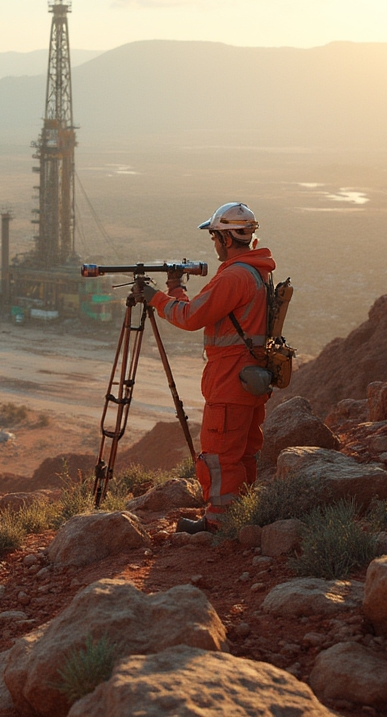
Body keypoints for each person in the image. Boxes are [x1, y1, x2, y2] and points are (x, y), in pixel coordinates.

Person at [143, 202, 276, 533]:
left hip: (230, 379)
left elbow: (190, 318)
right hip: (248, 377)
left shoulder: (233, 277)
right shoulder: (256, 271)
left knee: (220, 453)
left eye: (215, 237)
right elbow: (203, 310)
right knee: (242, 451)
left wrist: (154, 298)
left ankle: (220, 524)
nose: (214, 245)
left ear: (226, 239)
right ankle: (239, 514)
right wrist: (175, 289)